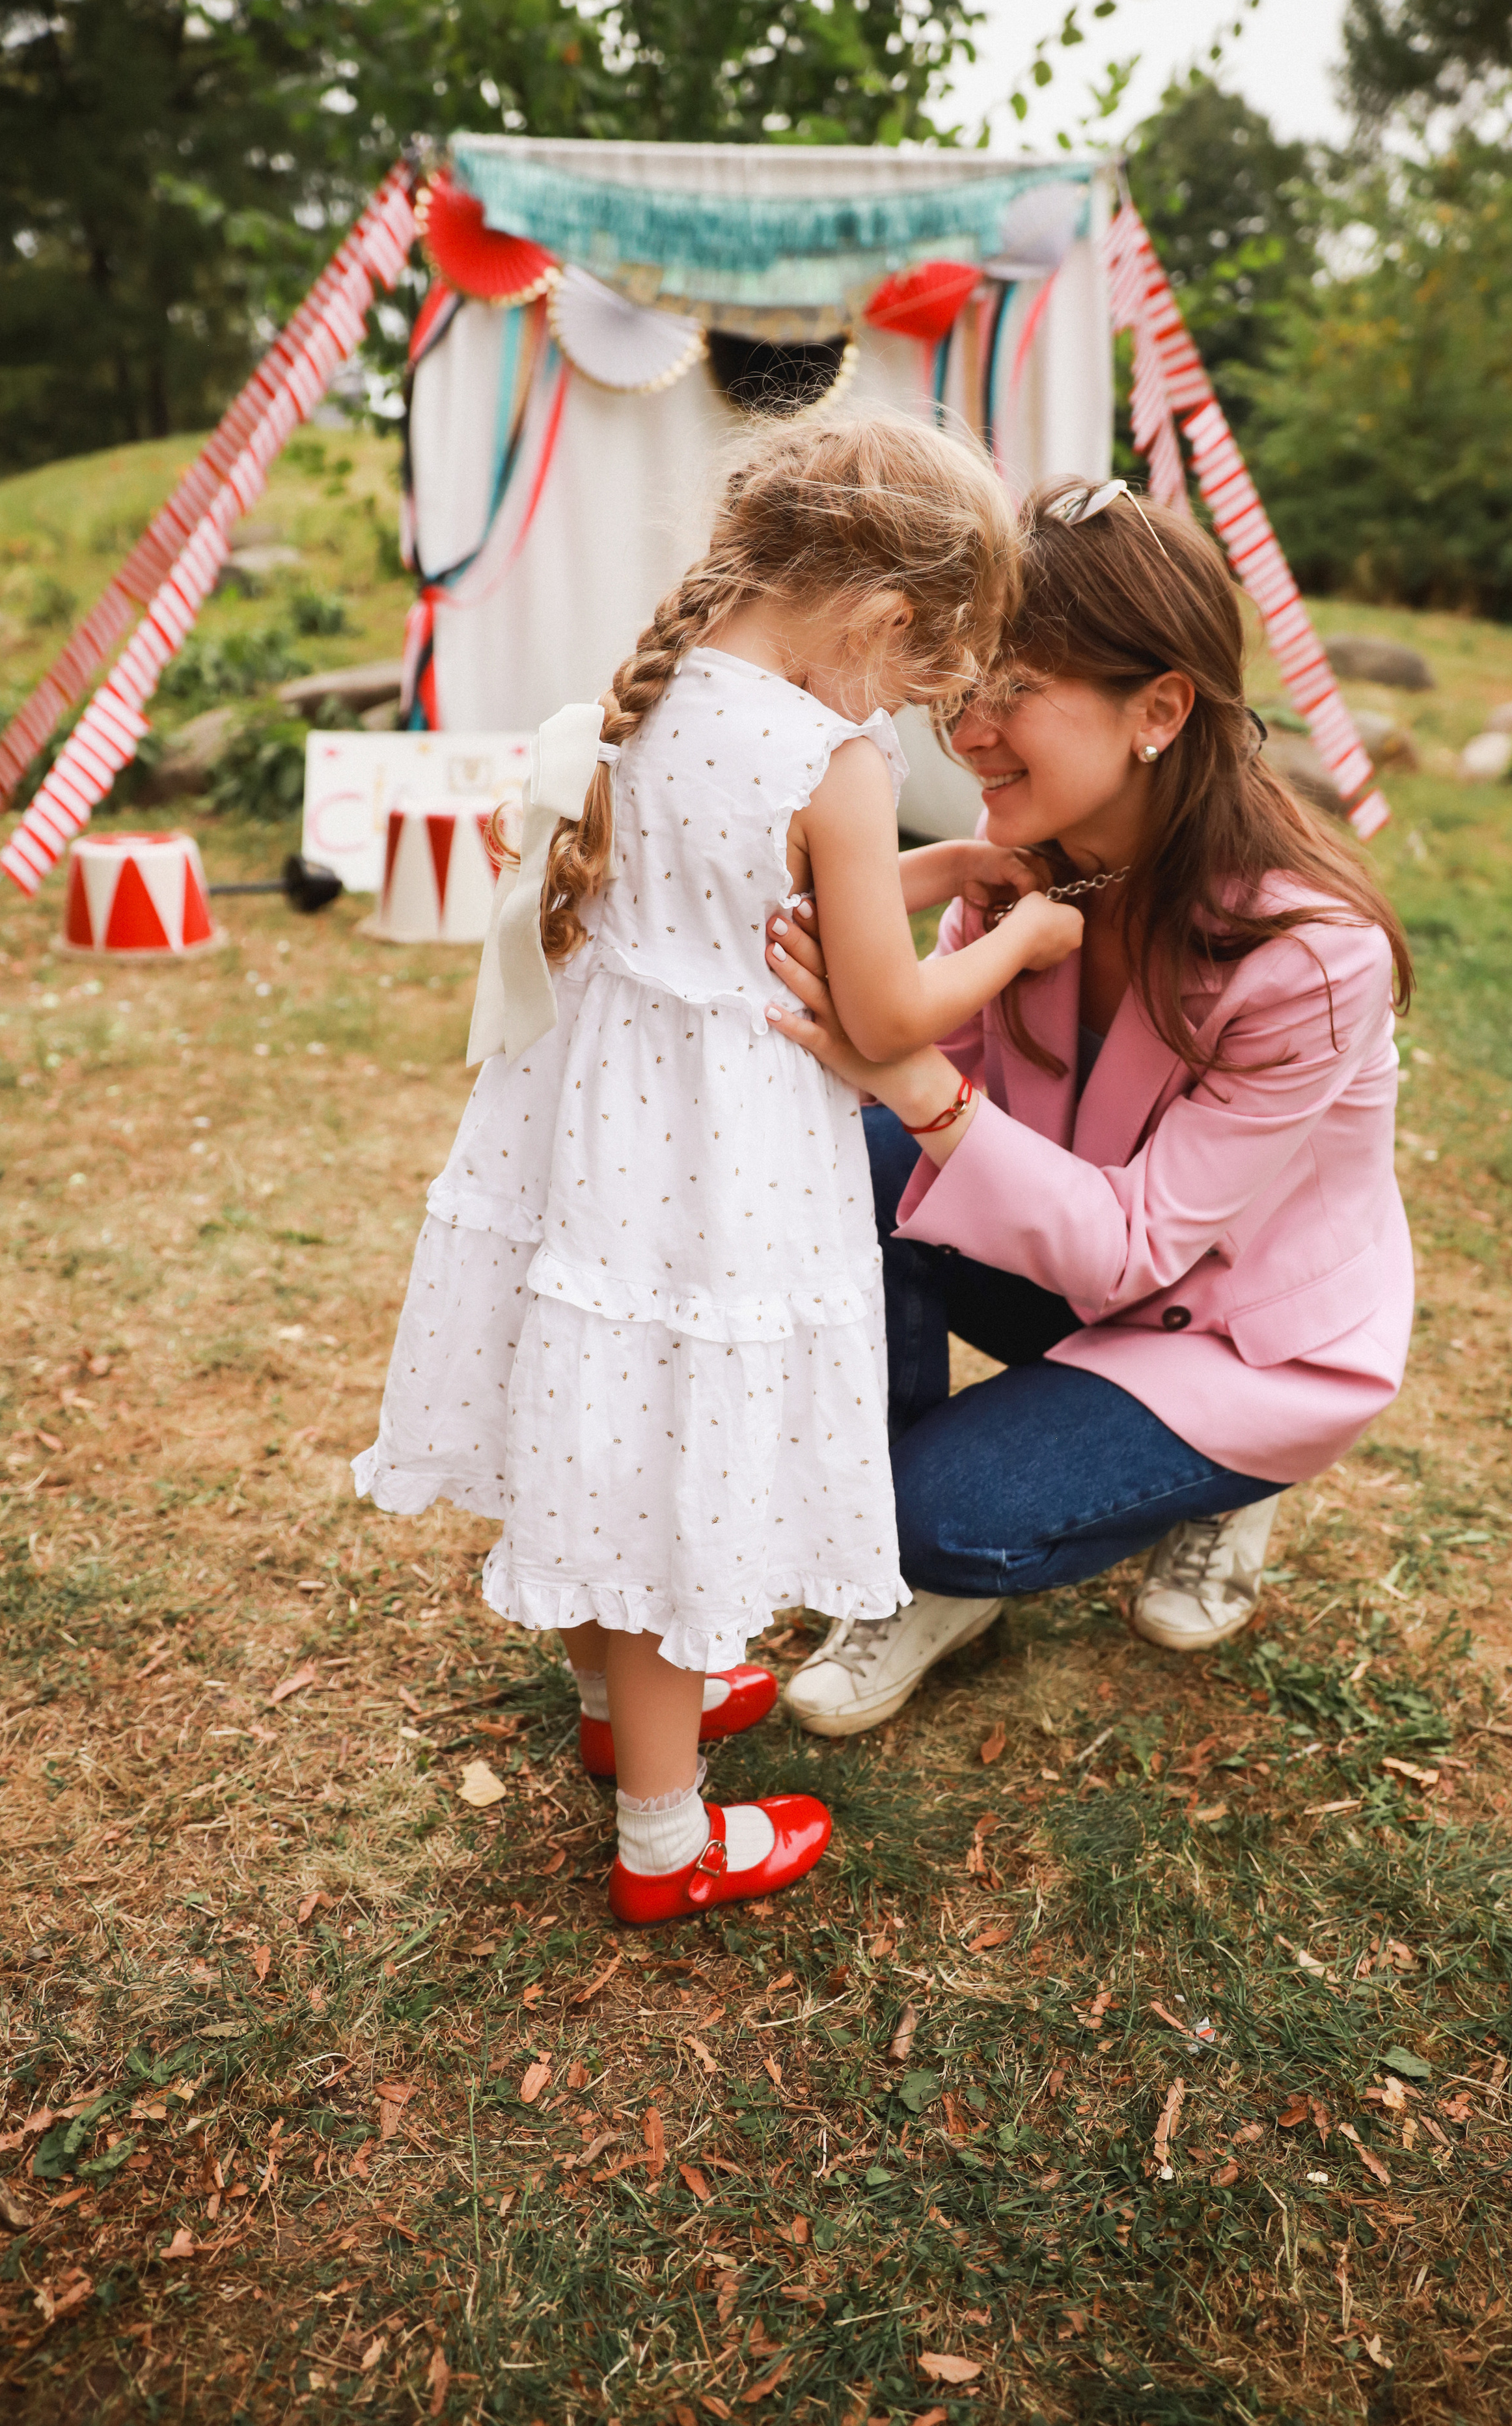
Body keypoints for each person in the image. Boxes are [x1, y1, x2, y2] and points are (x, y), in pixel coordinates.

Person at [353, 415, 1082, 1920]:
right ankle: (667, 1843)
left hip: (597, 1130)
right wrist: (1017, 938)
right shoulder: (835, 750)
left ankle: (619, 1720)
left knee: (598, 1429)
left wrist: (936, 876)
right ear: (882, 620)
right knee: (674, 1466)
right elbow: (879, 1011)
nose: (908, 703)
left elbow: (750, 886)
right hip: (716, 1158)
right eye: (918, 671)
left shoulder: (664, 684)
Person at [763, 478, 1415, 1737]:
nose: (969, 732)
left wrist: (906, 1073)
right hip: (1070, 1257)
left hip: (1226, 1329)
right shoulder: (1024, 869)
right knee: (842, 1156)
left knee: (922, 1514)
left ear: (1159, 708)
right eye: (960, 688)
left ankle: (1205, 1485)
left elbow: (1131, 1244)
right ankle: (898, 1537)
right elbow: (903, 1071)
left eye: (1012, 690)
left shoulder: (1316, 955)